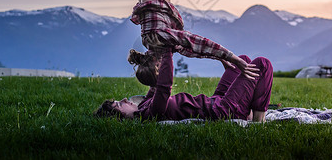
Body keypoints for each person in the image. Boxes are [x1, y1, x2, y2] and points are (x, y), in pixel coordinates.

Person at [95, 49, 273, 122]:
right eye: (119, 104)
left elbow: (154, 84)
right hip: (223, 110)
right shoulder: (151, 112)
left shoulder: (145, 105)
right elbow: (163, 87)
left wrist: (150, 56)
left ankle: (247, 108)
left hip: (215, 100)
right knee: (262, 64)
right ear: (120, 118)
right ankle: (258, 122)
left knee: (242, 62)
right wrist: (166, 53)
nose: (125, 99)